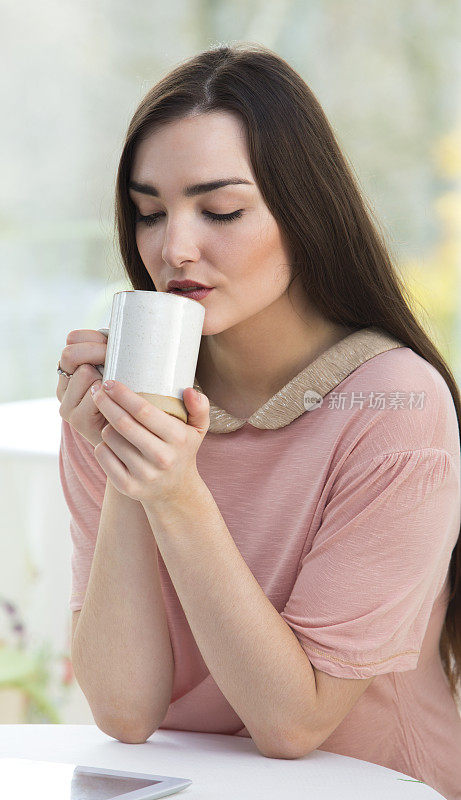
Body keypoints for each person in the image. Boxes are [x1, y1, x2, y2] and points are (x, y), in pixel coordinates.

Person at [57, 43, 461, 799]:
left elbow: (291, 724)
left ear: (303, 212)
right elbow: (124, 709)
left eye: (221, 211)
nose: (173, 247)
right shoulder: (118, 399)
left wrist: (176, 493)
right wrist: (127, 460)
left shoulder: (394, 407)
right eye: (149, 213)